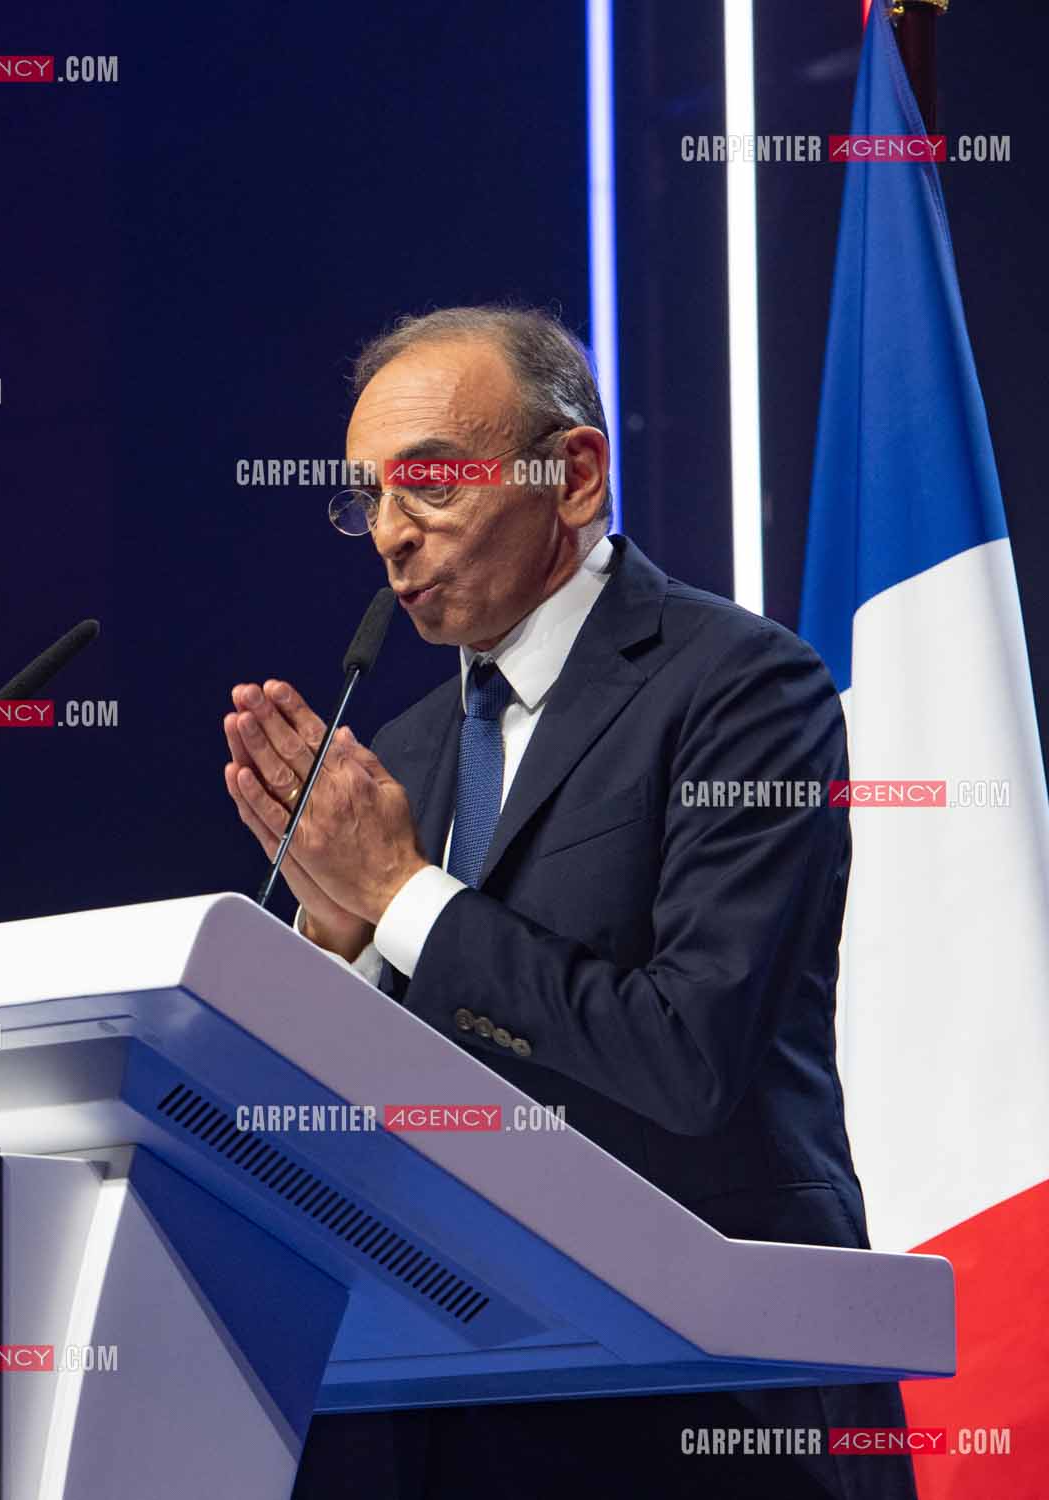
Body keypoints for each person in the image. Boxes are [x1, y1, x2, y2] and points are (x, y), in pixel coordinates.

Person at [223, 305, 915, 1500]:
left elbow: (689, 1056)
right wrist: (336, 942)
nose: (389, 534)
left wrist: (401, 894)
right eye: (366, 498)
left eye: (429, 482)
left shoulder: (744, 689)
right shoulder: (404, 753)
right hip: (450, 1404)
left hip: (716, 1410)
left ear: (575, 475)